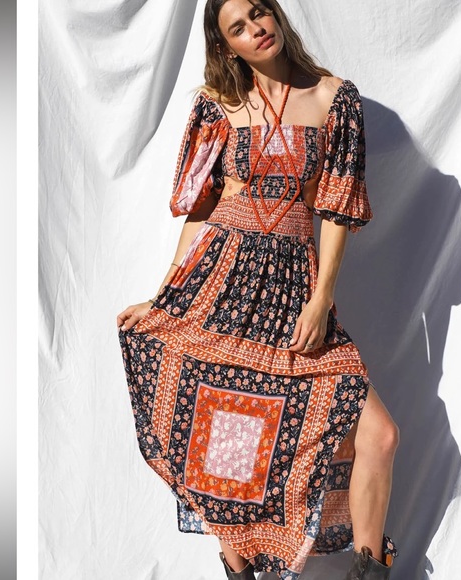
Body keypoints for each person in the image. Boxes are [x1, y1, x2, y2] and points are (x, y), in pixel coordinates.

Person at [117, 1, 400, 578]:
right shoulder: (215, 104)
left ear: (275, 13)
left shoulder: (334, 98)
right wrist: (166, 295)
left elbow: (336, 211)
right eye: (238, 28)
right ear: (227, 46)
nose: (256, 29)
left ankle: (371, 571)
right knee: (224, 448)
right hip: (219, 283)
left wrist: (321, 299)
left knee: (380, 434)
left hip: (295, 289)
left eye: (258, 12)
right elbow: (200, 208)